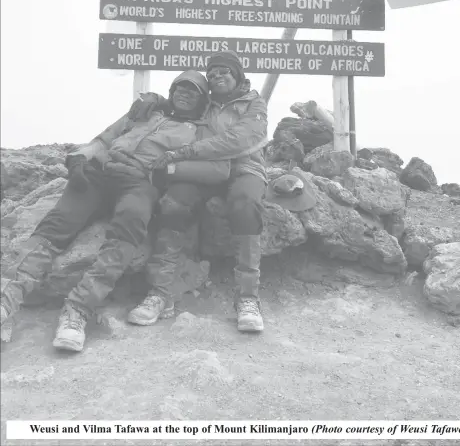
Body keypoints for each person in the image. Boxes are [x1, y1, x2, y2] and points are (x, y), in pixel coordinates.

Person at [0, 71, 230, 352]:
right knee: (58, 224)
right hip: (101, 173)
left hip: (140, 181)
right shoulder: (144, 111)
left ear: (202, 98)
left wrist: (165, 172)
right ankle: (6, 301)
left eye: (193, 91)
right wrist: (79, 159)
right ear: (171, 91)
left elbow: (217, 168)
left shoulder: (202, 128)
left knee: (129, 226)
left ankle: (78, 311)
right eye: (179, 87)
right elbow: (104, 139)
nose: (184, 93)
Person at [127, 50, 268, 333]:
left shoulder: (254, 104)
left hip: (244, 169)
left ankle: (248, 297)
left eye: (224, 72)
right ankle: (160, 293)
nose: (217, 77)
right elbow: (178, 104)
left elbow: (239, 140)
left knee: (245, 205)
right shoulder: (205, 102)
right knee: (174, 203)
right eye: (213, 74)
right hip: (203, 171)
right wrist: (154, 98)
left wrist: (187, 151)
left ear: (237, 74)